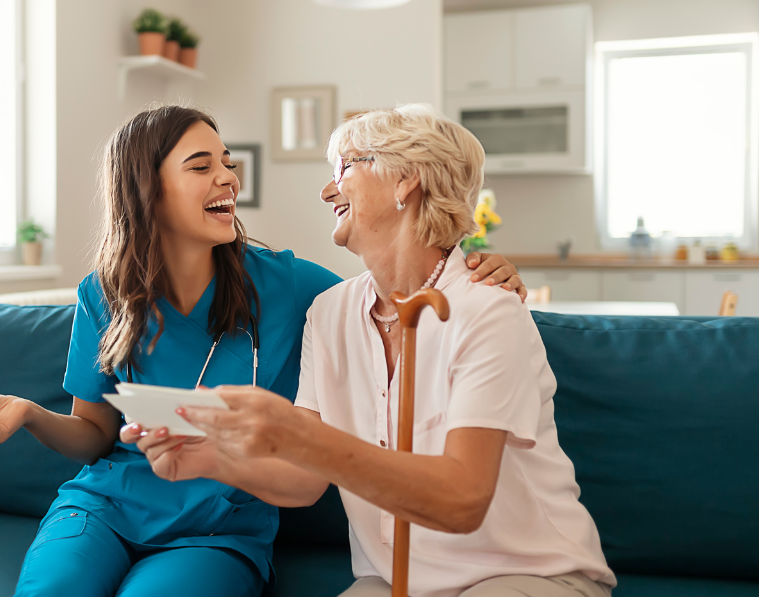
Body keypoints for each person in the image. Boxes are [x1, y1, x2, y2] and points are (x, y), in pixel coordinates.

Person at [0, 105, 525, 597]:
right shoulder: (104, 291)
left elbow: (400, 285)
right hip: (104, 508)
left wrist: (479, 266)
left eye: (228, 163)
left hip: (220, 526)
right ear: (148, 190)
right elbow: (93, 434)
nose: (229, 179)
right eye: (202, 165)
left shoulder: (294, 288)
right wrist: (28, 417)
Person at [128, 105, 616, 597]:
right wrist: (208, 459)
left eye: (342, 168)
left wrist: (295, 433)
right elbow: (304, 479)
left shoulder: (487, 309)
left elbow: (462, 499)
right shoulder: (330, 314)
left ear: (406, 180)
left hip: (524, 573)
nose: (326, 190)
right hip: (392, 582)